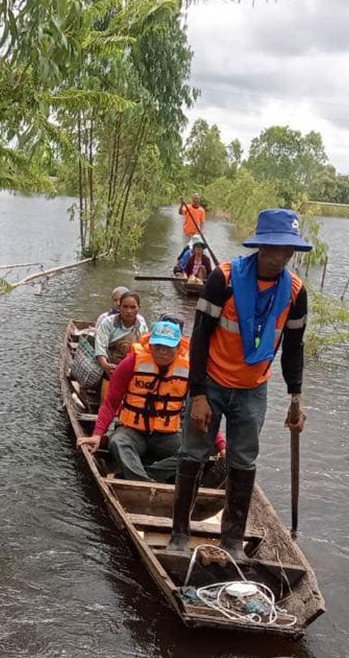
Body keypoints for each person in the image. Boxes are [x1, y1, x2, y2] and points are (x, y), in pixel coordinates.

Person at [168, 208, 310, 559]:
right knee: (193, 453)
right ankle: (179, 534)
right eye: (275, 249)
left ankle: (232, 540)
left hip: (252, 389)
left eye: (288, 250)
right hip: (212, 383)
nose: (281, 257)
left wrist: (296, 397)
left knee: (243, 461)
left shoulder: (295, 291)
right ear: (261, 247)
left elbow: (294, 347)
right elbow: (199, 338)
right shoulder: (225, 279)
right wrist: (197, 394)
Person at [79, 317, 222, 483]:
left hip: (166, 437)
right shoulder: (131, 363)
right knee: (117, 442)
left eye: (168, 347)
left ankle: (145, 476)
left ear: (178, 346)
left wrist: (221, 444)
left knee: (196, 453)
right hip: (132, 432)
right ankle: (143, 481)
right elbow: (111, 402)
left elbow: (203, 410)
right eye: (158, 346)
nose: (162, 351)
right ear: (150, 344)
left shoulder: (190, 370)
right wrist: (97, 435)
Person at [94, 289, 148, 373]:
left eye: (133, 307)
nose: (129, 311)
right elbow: (100, 347)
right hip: (110, 366)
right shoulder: (108, 322)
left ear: (138, 308)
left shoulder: (142, 325)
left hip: (132, 366)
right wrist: (105, 365)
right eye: (125, 307)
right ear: (120, 308)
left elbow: (144, 349)